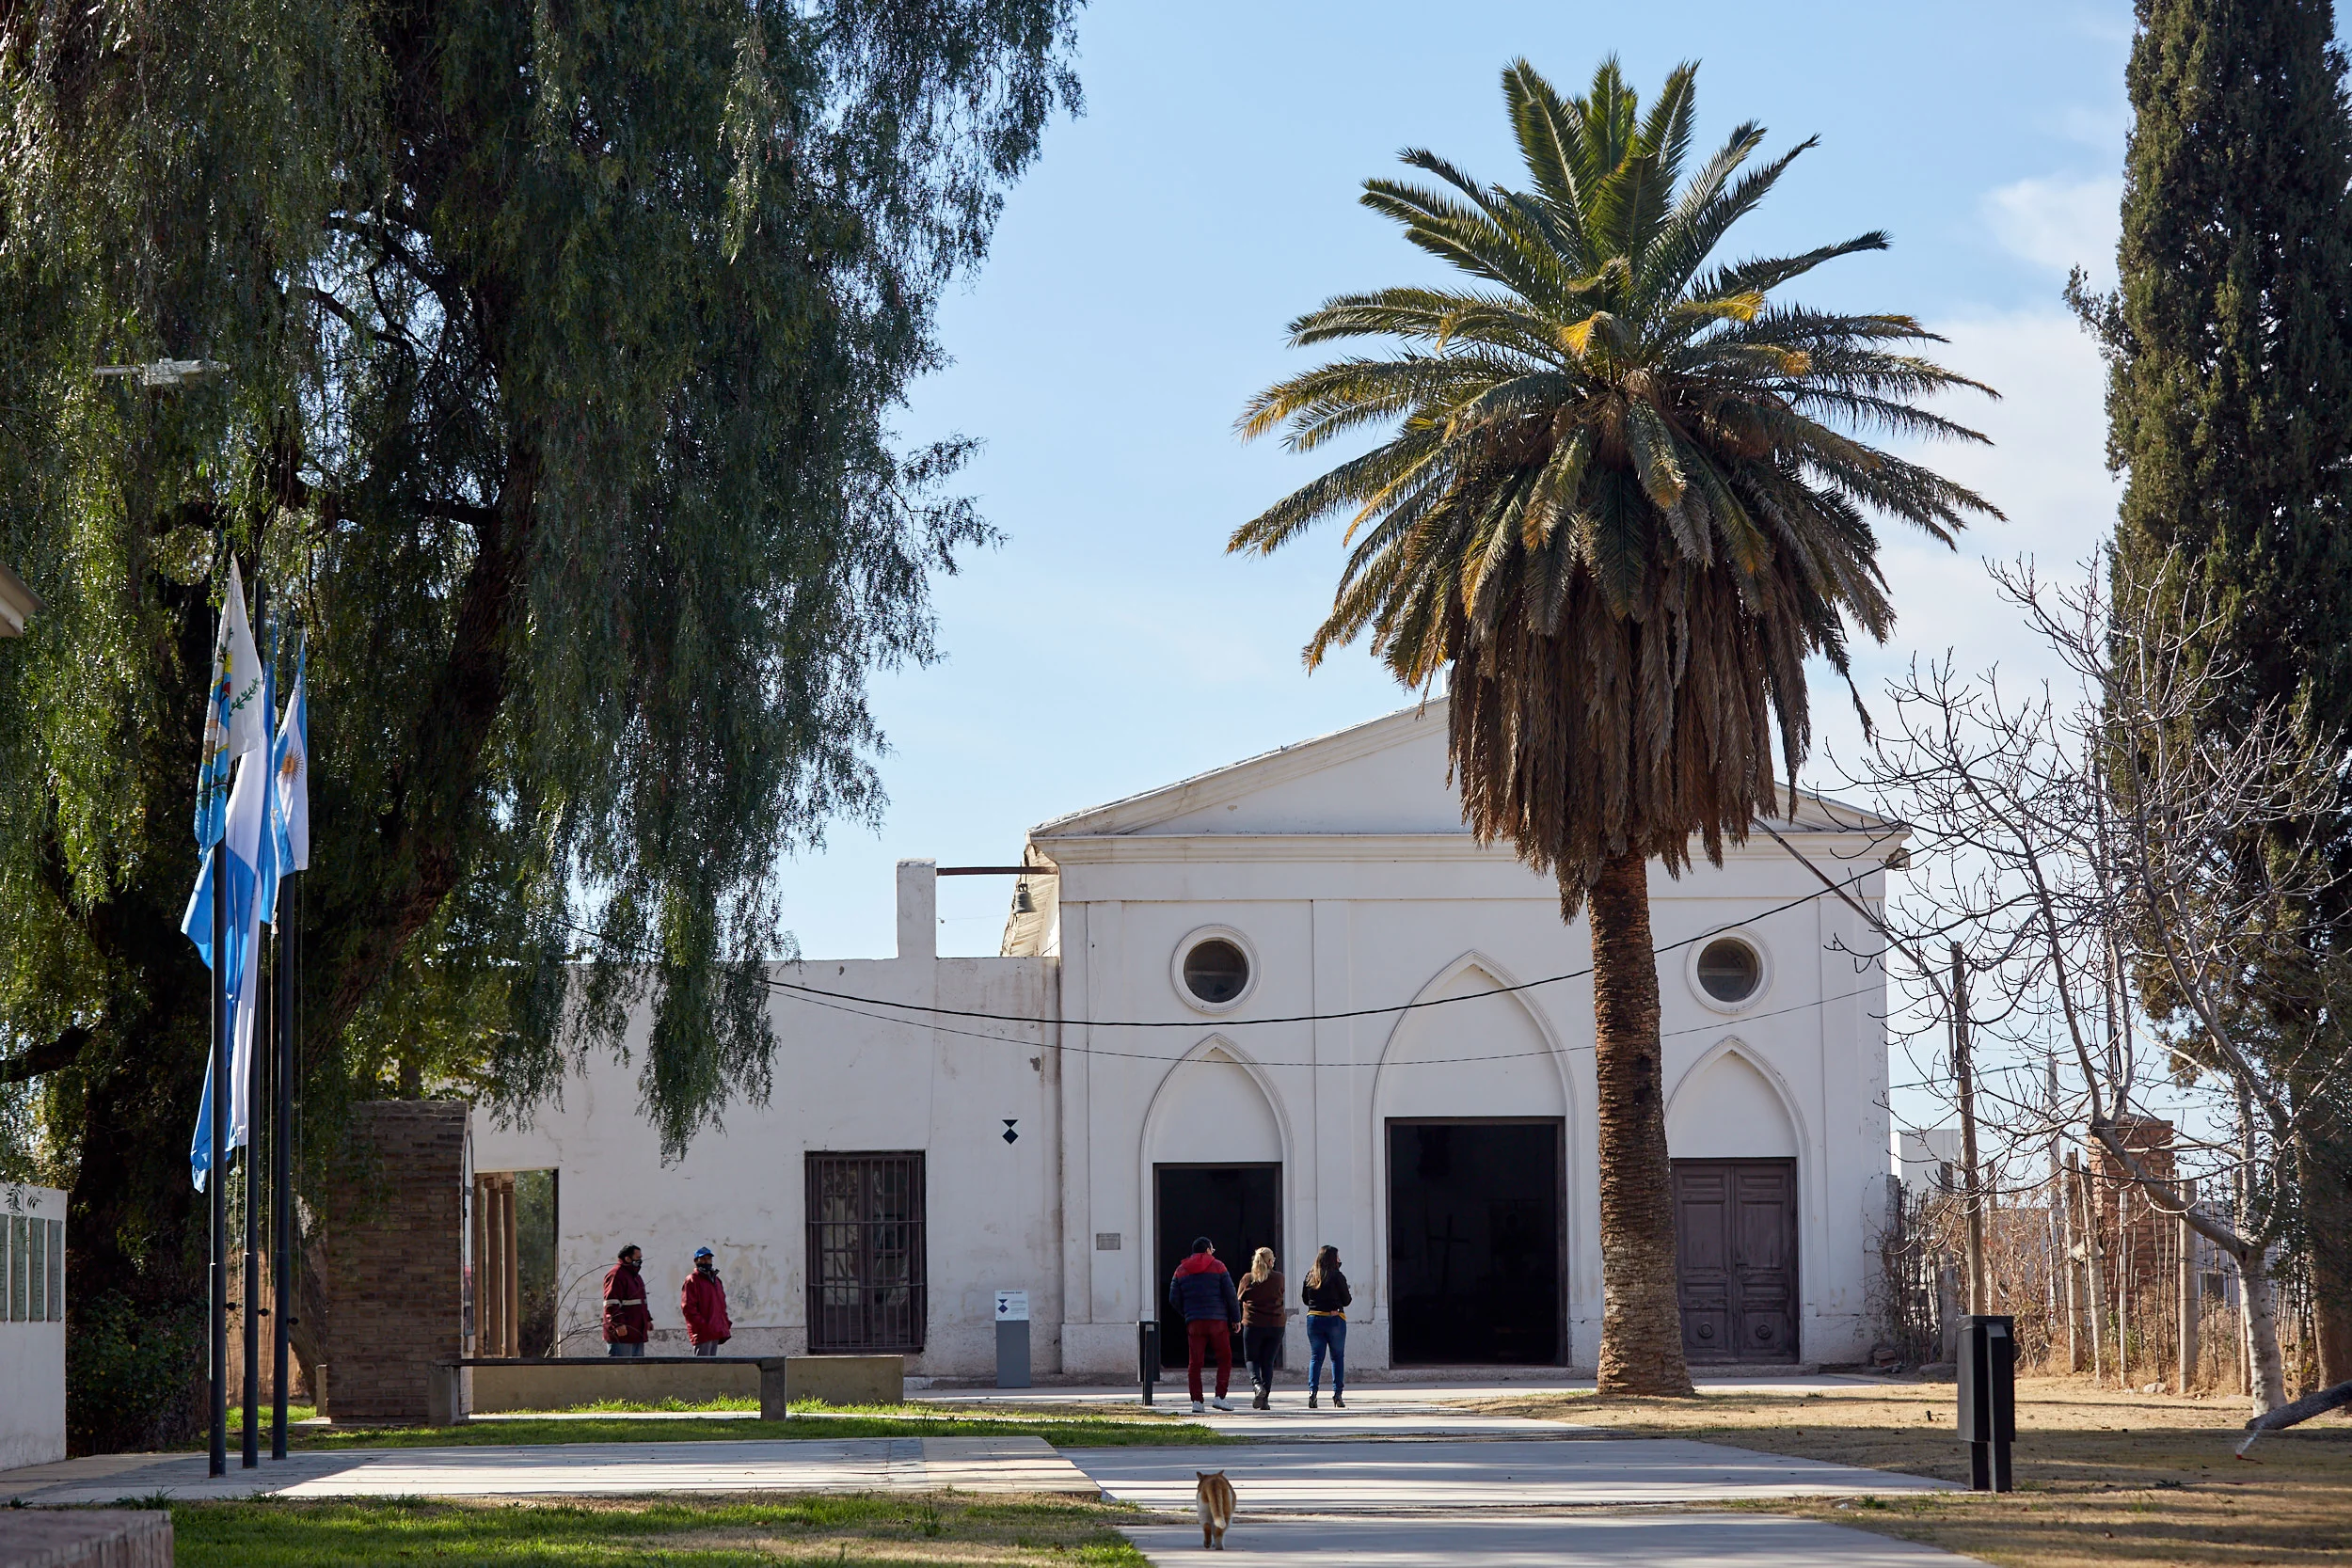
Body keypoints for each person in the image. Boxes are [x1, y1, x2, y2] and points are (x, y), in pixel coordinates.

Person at [1168, 1235, 1241, 1413]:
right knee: (1224, 1359)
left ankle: (1197, 1402)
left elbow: (1173, 1298)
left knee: (1195, 1363)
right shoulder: (1218, 1266)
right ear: (1208, 1250)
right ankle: (1220, 1397)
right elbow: (1231, 1295)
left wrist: (1187, 1313)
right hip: (1218, 1321)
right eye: (1212, 1249)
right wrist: (1236, 1318)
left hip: (1195, 1323)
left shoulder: (1181, 1270)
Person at [1300, 1243, 1350, 1408]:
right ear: (1332, 1259)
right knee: (1337, 1358)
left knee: (1316, 1357)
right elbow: (1347, 1300)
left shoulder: (1310, 1275)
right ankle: (1337, 1395)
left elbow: (1305, 1300)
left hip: (1314, 1319)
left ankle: (1312, 1393)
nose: (1339, 1260)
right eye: (1337, 1257)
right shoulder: (1337, 1276)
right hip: (1333, 1318)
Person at [1237, 1246, 1286, 1410]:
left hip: (1253, 1324)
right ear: (1271, 1261)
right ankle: (1265, 1401)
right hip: (1275, 1324)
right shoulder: (1279, 1278)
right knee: (1268, 1362)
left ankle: (1257, 1386)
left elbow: (1240, 1297)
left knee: (1251, 1359)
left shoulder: (1247, 1279)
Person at [602, 1243, 652, 1357]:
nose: (640, 1261)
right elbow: (611, 1302)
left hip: (636, 1331)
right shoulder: (616, 1275)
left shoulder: (635, 1276)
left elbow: (641, 1302)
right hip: (622, 1334)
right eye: (638, 1258)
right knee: (621, 1370)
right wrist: (618, 1324)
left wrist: (647, 1320)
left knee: (636, 1369)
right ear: (627, 1258)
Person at [680, 1246, 732, 1356]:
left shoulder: (716, 1281)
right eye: (702, 1259)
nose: (706, 1261)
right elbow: (688, 1307)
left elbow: (721, 1305)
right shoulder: (692, 1280)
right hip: (703, 1331)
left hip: (715, 1329)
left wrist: (725, 1322)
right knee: (702, 1365)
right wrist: (703, 1325)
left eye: (708, 1259)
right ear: (696, 1261)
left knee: (712, 1366)